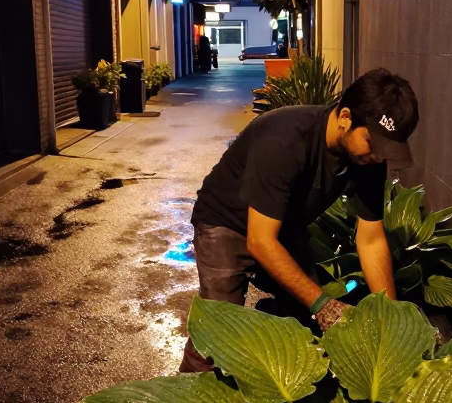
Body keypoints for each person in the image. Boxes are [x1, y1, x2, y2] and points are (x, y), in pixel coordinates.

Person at [180, 68, 419, 372]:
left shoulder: (368, 158)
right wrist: (323, 305)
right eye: (373, 144)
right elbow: (260, 241)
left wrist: (392, 316)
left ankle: (270, 359)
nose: (378, 157)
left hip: (284, 223)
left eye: (386, 149)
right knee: (217, 331)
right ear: (345, 118)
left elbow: (370, 238)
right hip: (226, 223)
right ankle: (189, 391)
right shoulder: (284, 139)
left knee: (302, 314)